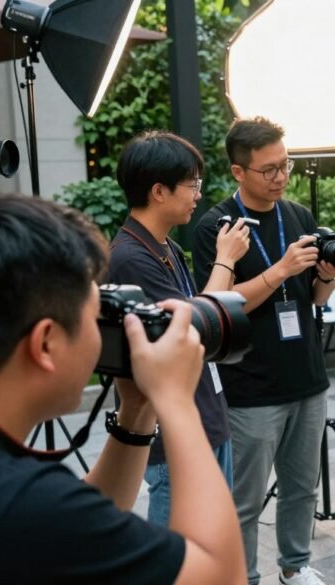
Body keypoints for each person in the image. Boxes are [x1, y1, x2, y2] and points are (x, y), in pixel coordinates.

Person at [0, 196, 247, 584]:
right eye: (96, 314)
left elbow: (80, 521)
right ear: (46, 343)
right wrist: (177, 401)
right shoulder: (18, 504)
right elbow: (219, 575)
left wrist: (137, 411)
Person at [192, 117, 335, 585]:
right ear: (239, 172)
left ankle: (294, 567)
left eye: (285, 165)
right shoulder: (215, 227)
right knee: (245, 499)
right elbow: (218, 307)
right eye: (268, 170)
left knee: (301, 487)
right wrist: (279, 270)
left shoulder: (298, 215)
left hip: (306, 377)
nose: (280, 177)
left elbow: (312, 299)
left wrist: (327, 275)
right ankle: (244, 576)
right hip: (250, 384)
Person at [108, 131, 251, 525]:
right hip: (174, 434)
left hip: (204, 413)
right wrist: (225, 260)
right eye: (192, 185)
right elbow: (189, 328)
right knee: (178, 558)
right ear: (159, 191)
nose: (198, 195)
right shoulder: (130, 257)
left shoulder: (164, 246)